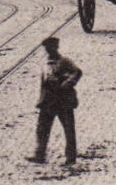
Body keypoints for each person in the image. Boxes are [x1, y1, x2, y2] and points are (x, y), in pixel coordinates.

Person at [29, 37, 82, 166]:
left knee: (68, 129)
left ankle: (71, 157)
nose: (48, 51)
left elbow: (77, 72)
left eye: (50, 48)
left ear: (56, 48)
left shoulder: (64, 61)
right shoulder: (45, 63)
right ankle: (40, 154)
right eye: (46, 49)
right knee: (42, 128)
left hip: (63, 100)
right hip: (48, 101)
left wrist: (67, 83)